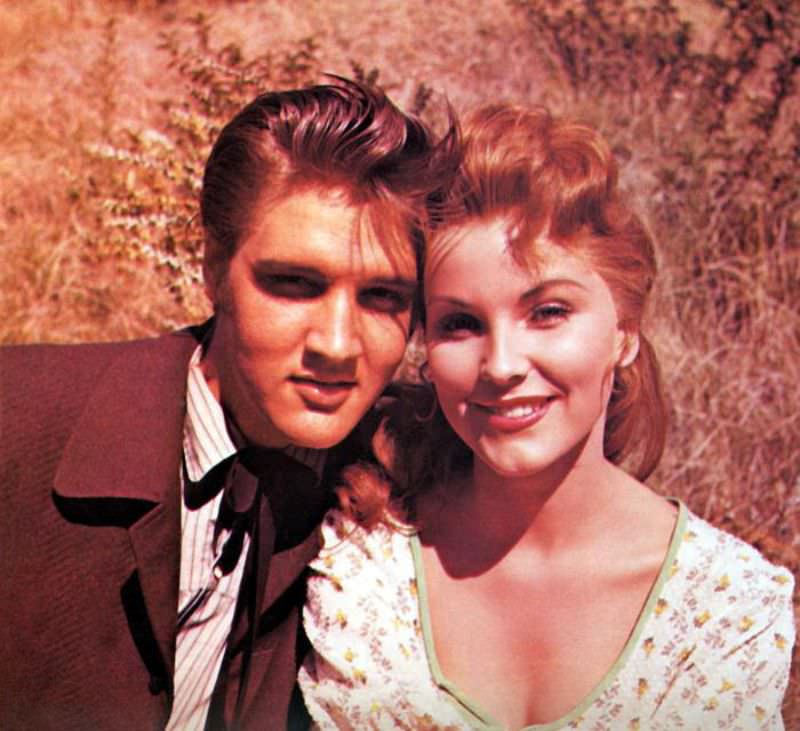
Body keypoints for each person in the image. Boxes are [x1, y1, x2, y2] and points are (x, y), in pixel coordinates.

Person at [298, 104, 796, 729]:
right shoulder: (364, 563)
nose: (501, 365)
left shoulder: (723, 611)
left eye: (549, 312)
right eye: (460, 324)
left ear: (625, 333)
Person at [0, 78, 458, 730]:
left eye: (382, 298)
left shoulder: (398, 480)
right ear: (214, 268)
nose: (335, 344)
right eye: (294, 284)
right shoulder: (16, 420)